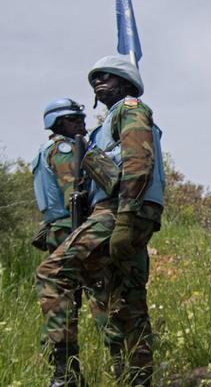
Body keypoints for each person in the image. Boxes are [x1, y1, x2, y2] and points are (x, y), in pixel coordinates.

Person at [36, 55, 164, 387]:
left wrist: (124, 218)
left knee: (52, 272)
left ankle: (66, 374)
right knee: (123, 301)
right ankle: (137, 379)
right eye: (94, 78)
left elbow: (138, 162)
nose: (98, 82)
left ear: (125, 82)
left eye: (106, 76)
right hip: (117, 211)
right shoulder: (101, 127)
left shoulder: (131, 109)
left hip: (121, 210)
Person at [32, 98, 88, 254]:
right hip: (69, 225)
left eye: (81, 118)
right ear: (56, 123)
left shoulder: (48, 148)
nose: (79, 123)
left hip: (59, 226)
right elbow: (72, 190)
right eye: (72, 119)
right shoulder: (64, 149)